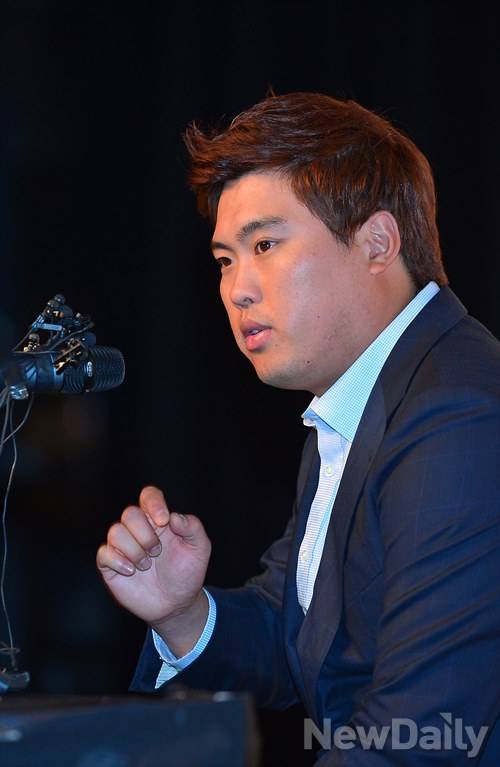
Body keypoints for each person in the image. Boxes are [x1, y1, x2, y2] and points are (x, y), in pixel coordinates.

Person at [97, 93, 500, 763]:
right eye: (225, 259)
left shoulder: (457, 417)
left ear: (377, 243)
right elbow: (305, 636)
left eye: (265, 244)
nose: (237, 289)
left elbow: (421, 735)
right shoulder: (364, 399)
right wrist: (184, 615)